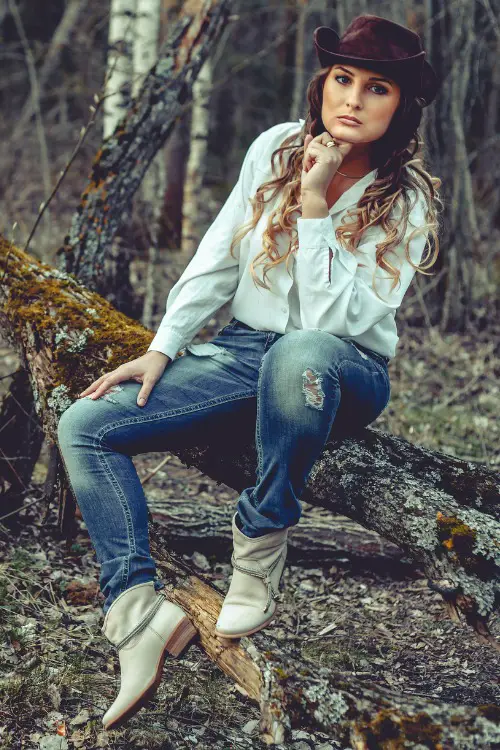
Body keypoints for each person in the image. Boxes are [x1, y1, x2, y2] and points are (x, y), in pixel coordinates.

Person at [57, 13, 442, 731]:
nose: (352, 98)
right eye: (342, 78)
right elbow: (216, 260)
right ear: (322, 82)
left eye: (376, 87)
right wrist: (164, 346)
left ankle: (260, 546)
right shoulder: (274, 149)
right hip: (242, 353)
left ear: (402, 105)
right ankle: (136, 614)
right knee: (85, 424)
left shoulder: (408, 197)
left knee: (300, 354)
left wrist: (318, 204)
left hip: (343, 368)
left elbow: (328, 324)